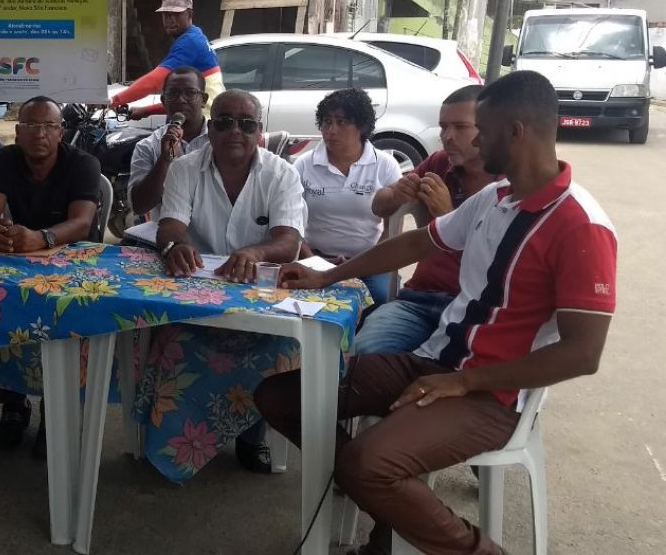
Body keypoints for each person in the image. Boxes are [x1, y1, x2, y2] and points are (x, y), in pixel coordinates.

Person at [255, 71, 617, 555]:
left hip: (492, 395)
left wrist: (465, 382)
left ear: (515, 132)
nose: (464, 142)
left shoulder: (581, 226)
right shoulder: (496, 198)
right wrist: (327, 277)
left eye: (479, 129)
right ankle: (392, 513)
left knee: (368, 462)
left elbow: (582, 354)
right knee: (282, 396)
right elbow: (414, 242)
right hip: (434, 359)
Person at [151, 88, 307, 472]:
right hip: (195, 285)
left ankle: (251, 435)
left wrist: (255, 253)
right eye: (223, 122)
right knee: (172, 341)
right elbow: (169, 226)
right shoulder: (185, 167)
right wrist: (175, 246)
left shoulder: (281, 173)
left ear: (260, 130)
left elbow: (289, 242)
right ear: (211, 127)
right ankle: (178, 442)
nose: (234, 131)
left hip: (258, 287)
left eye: (246, 123)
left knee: (275, 348)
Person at [0, 96, 101, 451]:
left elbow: (81, 223)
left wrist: (41, 238)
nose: (40, 134)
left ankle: (55, 411)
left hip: (76, 261)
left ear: (61, 132)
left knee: (67, 320)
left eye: (49, 126)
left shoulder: (84, 164)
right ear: (17, 131)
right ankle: (13, 404)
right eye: (32, 125)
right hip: (22, 258)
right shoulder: (2, 159)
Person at [358, 85, 497, 355]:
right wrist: (395, 194)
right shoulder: (439, 164)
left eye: (460, 127)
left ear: (489, 128)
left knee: (448, 371)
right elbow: (379, 207)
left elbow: (497, 263)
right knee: (364, 351)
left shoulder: (508, 183)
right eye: (443, 127)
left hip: (473, 308)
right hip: (419, 300)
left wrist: (449, 217)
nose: (448, 136)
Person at [292, 88, 402, 305]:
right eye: (326, 121)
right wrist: (312, 258)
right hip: (314, 257)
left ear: (361, 126)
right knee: (300, 296)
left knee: (380, 296)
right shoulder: (304, 165)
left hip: (371, 261)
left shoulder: (385, 165)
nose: (331, 130)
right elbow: (291, 223)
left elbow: (392, 228)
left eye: (342, 122)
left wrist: (365, 262)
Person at [109, 0, 225, 115]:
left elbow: (153, 82)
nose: (171, 20)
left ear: (190, 14)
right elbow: (183, 103)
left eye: (176, 14)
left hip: (204, 126)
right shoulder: (195, 35)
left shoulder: (189, 42)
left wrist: (113, 100)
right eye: (167, 15)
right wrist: (146, 111)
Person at [127, 66, 209, 219]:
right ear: (164, 101)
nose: (181, 99)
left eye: (190, 93)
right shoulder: (148, 146)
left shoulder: (220, 139)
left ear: (203, 100)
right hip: (166, 236)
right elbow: (139, 206)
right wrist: (165, 160)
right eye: (173, 93)